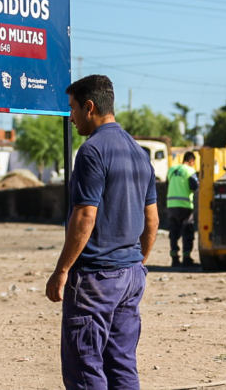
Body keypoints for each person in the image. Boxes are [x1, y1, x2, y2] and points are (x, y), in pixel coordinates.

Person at [46, 75, 159, 390]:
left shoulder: (92, 151)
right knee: (122, 367)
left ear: (89, 106)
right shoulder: (139, 153)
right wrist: (137, 263)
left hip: (95, 279)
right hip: (130, 275)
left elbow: (84, 216)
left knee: (85, 370)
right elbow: (152, 220)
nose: (71, 118)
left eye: (73, 109)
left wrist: (62, 269)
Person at [166, 151, 199, 267]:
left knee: (174, 232)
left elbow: (167, 184)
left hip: (171, 205)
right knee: (187, 231)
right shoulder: (189, 171)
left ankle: (174, 258)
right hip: (185, 205)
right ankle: (186, 257)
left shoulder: (172, 170)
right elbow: (195, 186)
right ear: (191, 161)